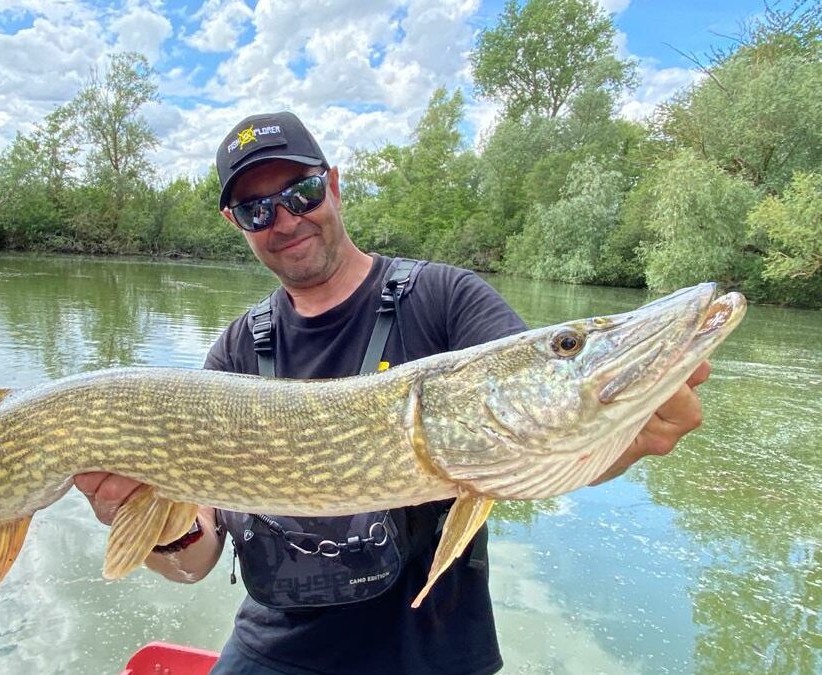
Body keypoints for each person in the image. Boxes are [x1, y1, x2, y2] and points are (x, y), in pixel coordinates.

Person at [74, 111, 711, 674]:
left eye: (300, 190)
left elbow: (536, 441)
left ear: (334, 183)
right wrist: (156, 526)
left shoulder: (446, 299)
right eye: (256, 208)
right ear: (235, 223)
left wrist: (630, 437)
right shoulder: (238, 351)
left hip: (431, 656)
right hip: (275, 649)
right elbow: (194, 563)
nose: (285, 218)